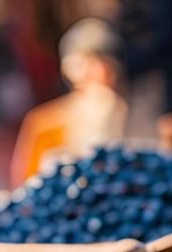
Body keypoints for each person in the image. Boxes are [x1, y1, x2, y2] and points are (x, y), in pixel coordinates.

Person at [10, 17, 127, 185]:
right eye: (83, 65)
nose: (91, 73)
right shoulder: (46, 123)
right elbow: (26, 184)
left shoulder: (131, 114)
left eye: (99, 65)